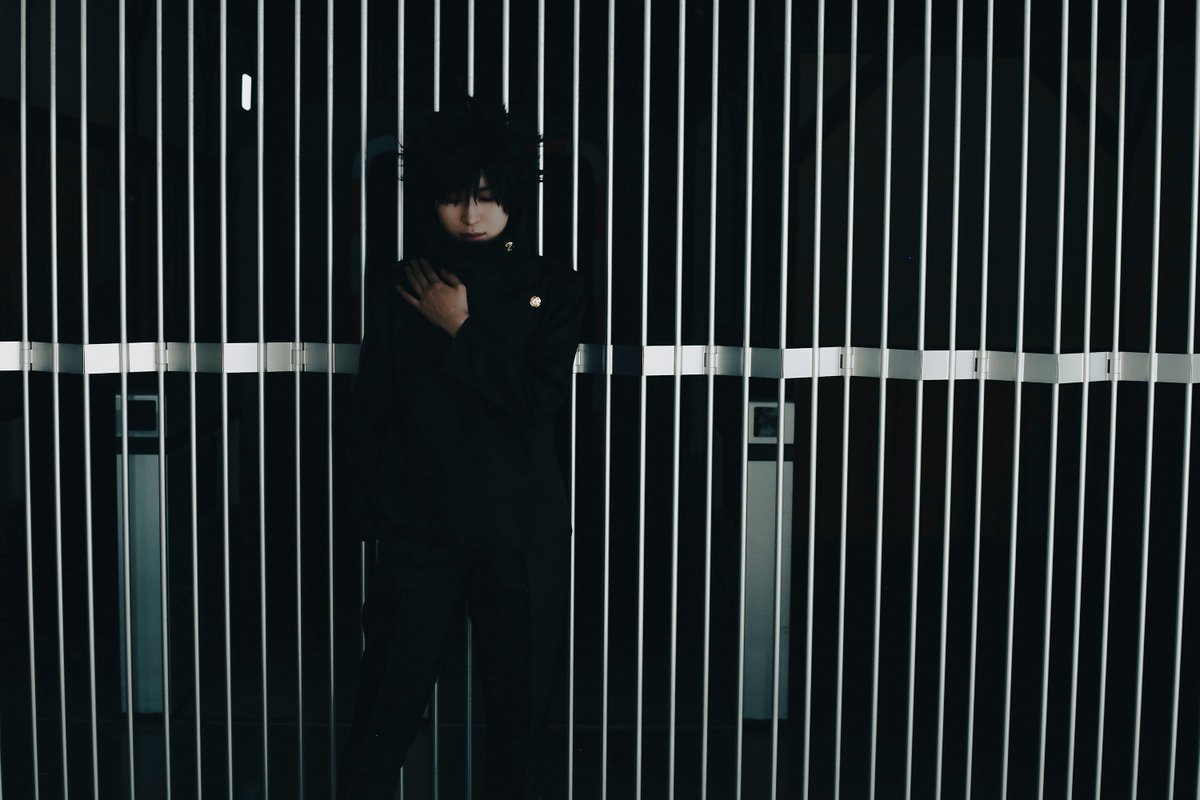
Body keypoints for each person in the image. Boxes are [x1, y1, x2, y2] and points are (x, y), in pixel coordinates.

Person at [337, 98, 585, 799]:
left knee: (520, 717)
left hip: (519, 529)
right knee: (385, 706)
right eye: (454, 197)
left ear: (513, 196)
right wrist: (369, 515)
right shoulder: (402, 282)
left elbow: (537, 400)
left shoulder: (555, 285)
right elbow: (373, 406)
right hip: (421, 527)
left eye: (487, 196)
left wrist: (461, 328)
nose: (472, 215)